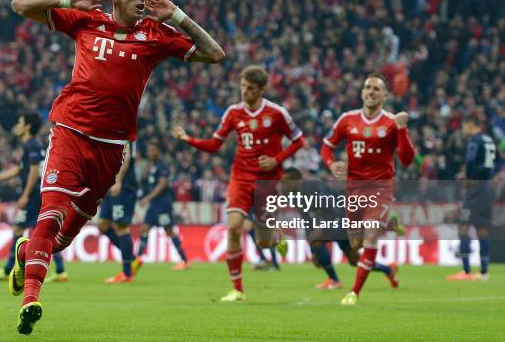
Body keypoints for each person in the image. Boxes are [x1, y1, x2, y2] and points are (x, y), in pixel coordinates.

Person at [8, 0, 224, 334]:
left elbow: (214, 54)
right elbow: (19, 5)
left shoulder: (156, 34)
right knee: (51, 213)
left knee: (61, 239)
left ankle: (26, 254)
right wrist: (68, 0)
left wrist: (179, 16)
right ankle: (31, 299)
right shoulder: (86, 19)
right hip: (70, 132)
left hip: (111, 149)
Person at [173, 65, 304, 302]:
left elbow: (298, 140)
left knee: (264, 242)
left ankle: (275, 237)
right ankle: (238, 289)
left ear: (262, 89)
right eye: (242, 86)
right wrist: (188, 139)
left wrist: (277, 159)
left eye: (251, 88)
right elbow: (215, 144)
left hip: (268, 181)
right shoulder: (233, 113)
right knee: (233, 227)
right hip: (240, 177)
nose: (245, 92)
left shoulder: (277, 113)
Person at [320, 72, 415, 306]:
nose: (371, 92)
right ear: (362, 92)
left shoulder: (392, 122)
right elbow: (326, 147)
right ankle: (388, 267)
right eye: (367, 87)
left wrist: (402, 130)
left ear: (384, 95)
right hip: (353, 189)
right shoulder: (347, 119)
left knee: (371, 238)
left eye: (376, 89)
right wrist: (332, 164)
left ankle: (353, 293)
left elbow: (407, 159)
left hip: (381, 188)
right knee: (355, 247)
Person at [0, 113, 67, 283]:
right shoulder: (31, 145)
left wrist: (25, 195)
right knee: (44, 232)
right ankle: (61, 271)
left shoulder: (31, 145)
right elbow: (20, 169)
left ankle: (7, 270)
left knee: (18, 228)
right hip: (38, 193)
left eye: (20, 122)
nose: (17, 125)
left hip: (34, 194)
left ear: (27, 126)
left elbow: (35, 170)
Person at [447, 115, 498, 281]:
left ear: (471, 125)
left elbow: (470, 161)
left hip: (475, 187)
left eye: (464, 125)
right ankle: (484, 273)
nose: (463, 129)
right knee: (482, 228)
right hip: (488, 187)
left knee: (463, 226)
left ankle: (466, 271)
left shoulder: (475, 140)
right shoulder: (489, 139)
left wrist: (467, 177)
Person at [136, 141, 190, 269]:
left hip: (163, 203)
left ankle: (185, 261)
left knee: (169, 230)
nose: (150, 153)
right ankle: (137, 259)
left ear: (158, 151)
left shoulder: (162, 164)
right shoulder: (152, 165)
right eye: (149, 151)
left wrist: (147, 198)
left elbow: (162, 185)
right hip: (154, 204)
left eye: (152, 150)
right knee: (144, 228)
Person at [97, 142, 142, 283]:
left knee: (122, 227)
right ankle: (133, 259)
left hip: (123, 187)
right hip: (110, 186)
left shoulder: (124, 133)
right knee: (102, 225)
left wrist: (119, 180)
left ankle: (127, 273)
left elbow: (126, 156)